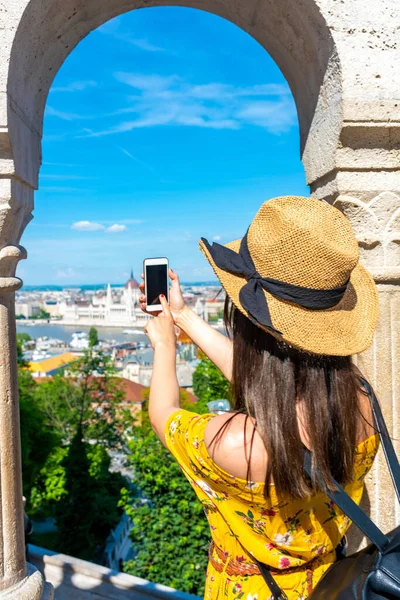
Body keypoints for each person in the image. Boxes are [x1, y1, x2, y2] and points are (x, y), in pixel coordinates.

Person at [140, 196, 380, 600]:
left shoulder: (234, 444)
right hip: (333, 584)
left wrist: (164, 345)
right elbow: (280, 390)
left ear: (247, 326)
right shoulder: (362, 402)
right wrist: (183, 317)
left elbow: (164, 414)